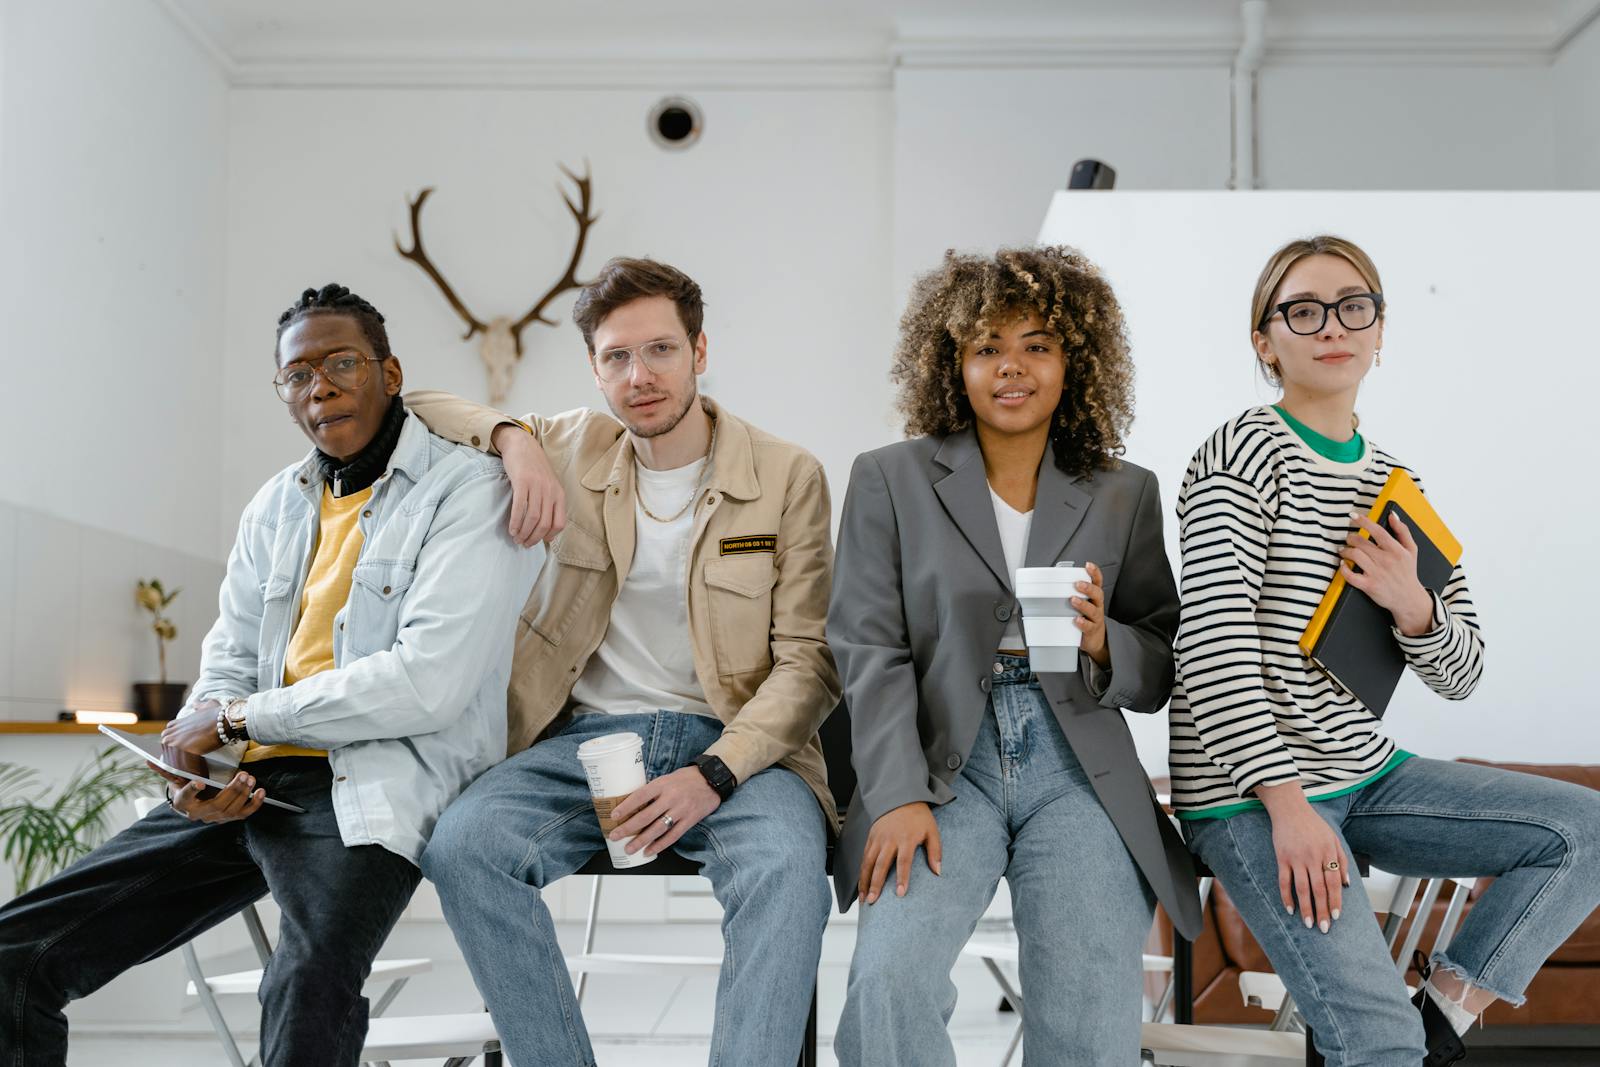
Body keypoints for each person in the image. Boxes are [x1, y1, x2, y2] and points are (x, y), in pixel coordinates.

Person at [0, 283, 538, 1066]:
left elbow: (427, 682)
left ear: (390, 374)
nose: (319, 387)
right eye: (296, 374)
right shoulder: (275, 506)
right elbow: (228, 657)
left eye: (341, 363)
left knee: (308, 982)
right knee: (14, 955)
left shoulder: (468, 489)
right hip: (243, 785)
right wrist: (198, 763)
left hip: (365, 782)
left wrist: (236, 720)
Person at [1169, 234, 1600, 1066]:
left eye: (1353, 306)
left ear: (1379, 330)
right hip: (1252, 796)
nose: (1333, 325)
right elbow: (1212, 649)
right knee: (1378, 1045)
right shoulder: (1241, 454)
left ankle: (1441, 1017)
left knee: (1584, 829)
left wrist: (1414, 604)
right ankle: (1404, 1040)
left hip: (1365, 772)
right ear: (1265, 341)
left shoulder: (1397, 484)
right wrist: (1288, 807)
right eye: (1303, 310)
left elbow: (1463, 672)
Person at [404, 256, 838, 1067]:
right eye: (617, 357)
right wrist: (512, 441)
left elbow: (809, 663)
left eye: (661, 350)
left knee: (787, 866)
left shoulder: (787, 475)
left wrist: (714, 772)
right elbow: (417, 406)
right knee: (464, 846)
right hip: (585, 745)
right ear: (595, 368)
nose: (640, 376)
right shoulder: (570, 445)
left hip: (739, 749)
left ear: (700, 351)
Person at [827, 246, 1201, 1066]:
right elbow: (866, 646)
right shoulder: (888, 478)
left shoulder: (1125, 490)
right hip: (935, 758)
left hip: (1078, 761)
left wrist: (1104, 641)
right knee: (890, 979)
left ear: (1076, 361)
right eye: (987, 346)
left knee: (1089, 1006)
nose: (1011, 366)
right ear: (951, 362)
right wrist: (895, 792)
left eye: (1038, 345)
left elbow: (1161, 656)